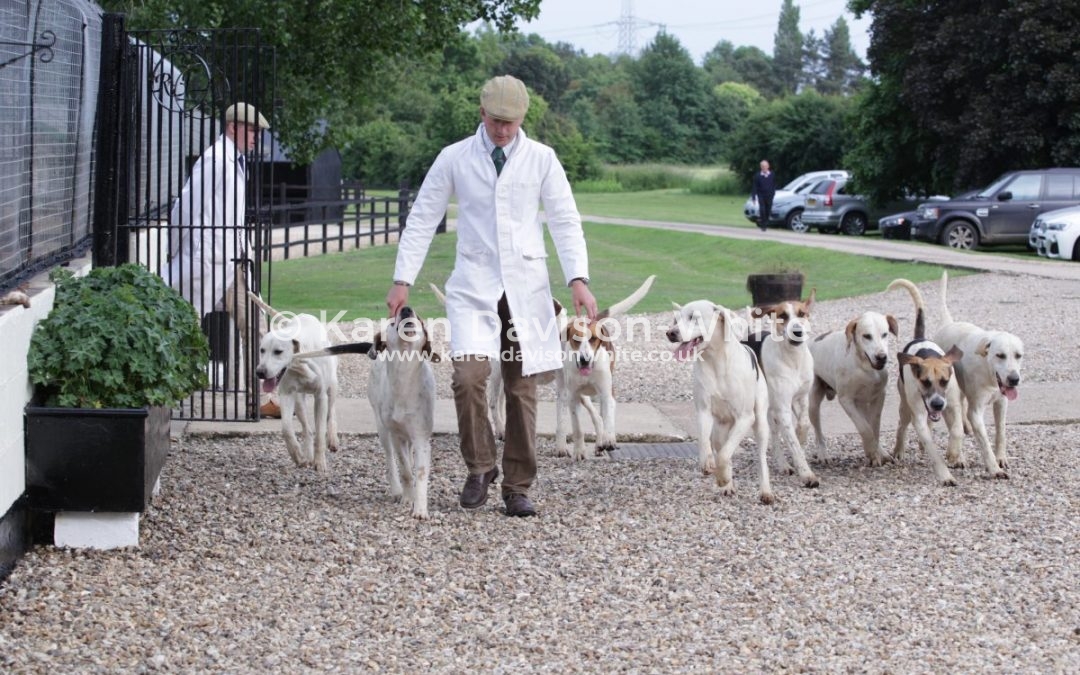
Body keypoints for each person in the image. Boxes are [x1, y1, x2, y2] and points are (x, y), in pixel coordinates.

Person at [386, 75, 597, 517]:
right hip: (474, 284)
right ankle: (480, 465)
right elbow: (423, 217)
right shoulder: (454, 157)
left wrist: (578, 277)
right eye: (497, 120)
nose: (504, 130)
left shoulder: (542, 158)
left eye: (512, 122)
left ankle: (518, 485)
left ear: (523, 118)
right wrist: (402, 279)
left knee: (521, 387)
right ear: (481, 113)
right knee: (467, 378)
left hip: (526, 286)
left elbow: (564, 219)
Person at [164, 102, 280, 418]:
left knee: (257, 329)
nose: (257, 137)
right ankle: (165, 400)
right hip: (208, 260)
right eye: (253, 130)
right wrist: (177, 251)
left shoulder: (234, 160)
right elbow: (185, 208)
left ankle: (262, 402)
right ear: (233, 127)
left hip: (232, 262)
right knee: (184, 327)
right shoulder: (216, 160)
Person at [751, 159, 776, 232]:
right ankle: (763, 225)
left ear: (768, 166)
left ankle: (766, 222)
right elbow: (754, 186)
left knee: (768, 210)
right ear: (761, 167)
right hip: (761, 195)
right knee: (762, 209)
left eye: (765, 166)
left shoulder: (772, 174)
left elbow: (774, 184)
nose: (764, 167)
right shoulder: (757, 176)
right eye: (762, 166)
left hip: (769, 195)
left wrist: (773, 193)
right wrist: (753, 197)